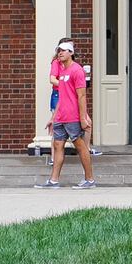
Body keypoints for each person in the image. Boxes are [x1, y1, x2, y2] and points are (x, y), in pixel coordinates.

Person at [35, 39, 96, 189]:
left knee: (80, 146)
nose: (60, 53)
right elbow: (62, 96)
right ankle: (53, 180)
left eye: (63, 50)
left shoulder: (77, 70)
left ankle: (90, 179)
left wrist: (83, 117)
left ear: (71, 52)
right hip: (61, 116)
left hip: (73, 116)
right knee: (57, 145)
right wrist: (53, 117)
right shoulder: (62, 72)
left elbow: (81, 96)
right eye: (59, 50)